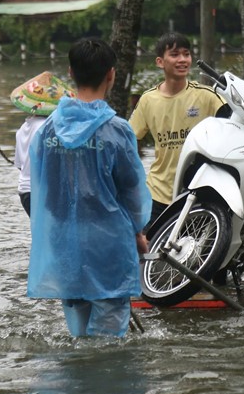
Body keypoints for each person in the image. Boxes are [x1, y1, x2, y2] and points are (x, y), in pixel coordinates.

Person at [27, 38, 152, 338]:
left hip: (65, 243)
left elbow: (44, 190)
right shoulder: (117, 130)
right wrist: (138, 232)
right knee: (107, 343)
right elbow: (132, 189)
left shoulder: (47, 130)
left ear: (70, 72)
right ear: (111, 74)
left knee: (79, 336)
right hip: (108, 244)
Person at [129, 32, 224, 234]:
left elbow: (232, 124)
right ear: (160, 62)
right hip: (157, 192)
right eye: (174, 54)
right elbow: (129, 139)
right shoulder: (148, 100)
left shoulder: (205, 96)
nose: (182, 60)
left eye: (186, 54)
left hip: (196, 190)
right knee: (145, 252)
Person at [10, 71, 76, 216]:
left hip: (25, 190)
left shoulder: (23, 128)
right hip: (43, 190)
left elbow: (20, 165)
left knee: (42, 232)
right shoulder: (48, 128)